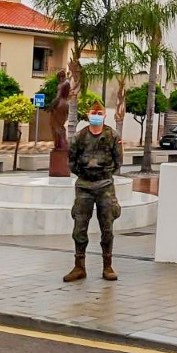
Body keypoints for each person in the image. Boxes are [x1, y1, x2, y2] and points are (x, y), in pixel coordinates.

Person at [63, 100, 123, 283]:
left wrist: (103, 175)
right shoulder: (79, 137)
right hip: (84, 186)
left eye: (99, 113)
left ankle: (107, 266)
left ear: (104, 115)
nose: (96, 116)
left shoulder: (112, 136)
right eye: (93, 112)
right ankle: (79, 266)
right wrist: (86, 175)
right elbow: (71, 162)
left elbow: (118, 161)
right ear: (88, 115)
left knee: (107, 227)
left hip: (105, 186)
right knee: (79, 227)